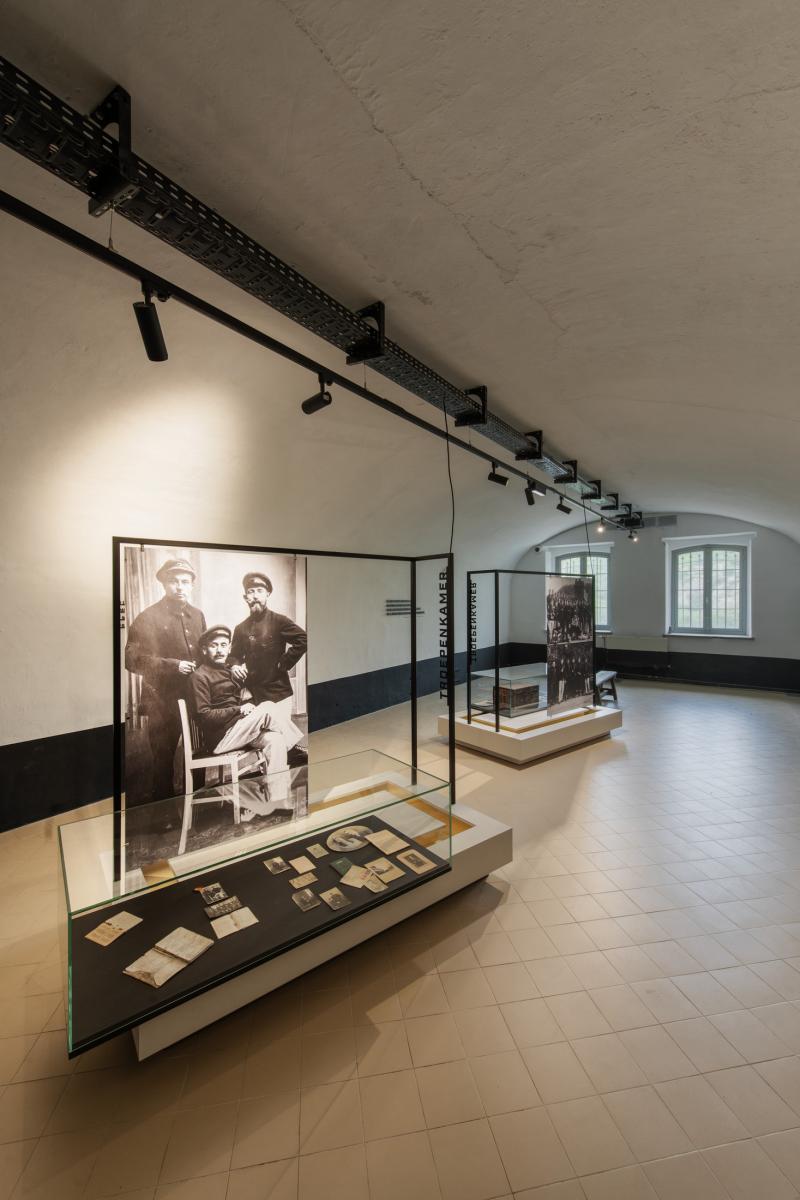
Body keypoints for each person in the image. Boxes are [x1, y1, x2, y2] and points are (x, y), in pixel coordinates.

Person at [124, 557, 206, 804]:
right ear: (163, 584)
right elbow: (132, 660)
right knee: (163, 759)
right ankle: (165, 813)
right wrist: (173, 665)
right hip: (161, 701)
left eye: (185, 582)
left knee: (200, 754)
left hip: (196, 698)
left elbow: (207, 654)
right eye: (174, 581)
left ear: (192, 585)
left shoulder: (198, 616)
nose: (180, 587)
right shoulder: (148, 617)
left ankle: (199, 807)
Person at [191, 625, 304, 785]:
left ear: (229, 648)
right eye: (213, 646)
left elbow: (237, 697)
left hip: (238, 729)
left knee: (276, 740)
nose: (219, 650)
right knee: (268, 707)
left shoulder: (228, 670)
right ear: (204, 650)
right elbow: (204, 715)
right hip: (221, 738)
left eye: (223, 645)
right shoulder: (199, 676)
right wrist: (239, 709)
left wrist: (246, 699)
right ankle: (293, 746)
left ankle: (277, 795)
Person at [230, 572, 308, 764]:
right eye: (251, 592)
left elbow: (303, 639)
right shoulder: (240, 628)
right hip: (254, 695)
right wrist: (234, 665)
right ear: (245, 597)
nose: (255, 595)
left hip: (278, 692)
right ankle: (283, 764)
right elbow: (233, 655)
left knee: (279, 740)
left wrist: (284, 663)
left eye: (259, 591)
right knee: (268, 740)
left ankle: (284, 771)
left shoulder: (279, 621)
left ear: (267, 594)